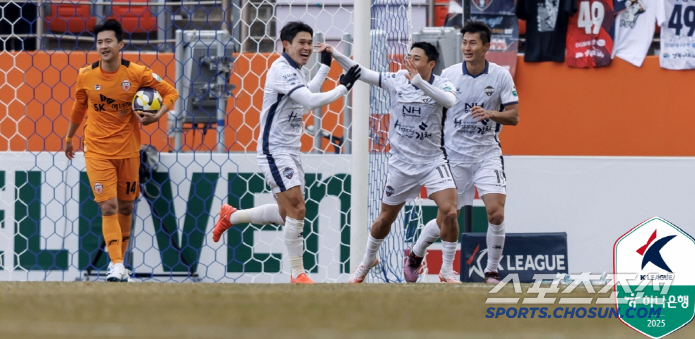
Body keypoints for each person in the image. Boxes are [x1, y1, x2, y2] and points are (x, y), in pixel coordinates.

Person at [212, 21, 360, 284]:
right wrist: (343, 87)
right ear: (286, 44)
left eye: (309, 43)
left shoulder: (295, 70)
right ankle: (297, 274)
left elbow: (307, 93)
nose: (306, 47)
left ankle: (231, 216)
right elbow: (311, 102)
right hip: (275, 150)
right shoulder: (281, 69)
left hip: (290, 150)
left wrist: (325, 65)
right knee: (297, 209)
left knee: (285, 214)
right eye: (300, 42)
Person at [323, 41, 461, 283]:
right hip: (401, 164)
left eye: (416, 58)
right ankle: (368, 261)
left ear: (431, 64)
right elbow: (362, 72)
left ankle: (447, 269)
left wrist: (419, 82)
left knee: (449, 212)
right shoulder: (397, 79)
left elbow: (449, 101)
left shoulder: (442, 84)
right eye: (409, 57)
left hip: (432, 161)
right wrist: (335, 54)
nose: (410, 62)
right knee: (385, 219)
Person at [64, 19, 179, 282]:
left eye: (108, 41)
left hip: (128, 151)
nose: (103, 46)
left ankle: (120, 265)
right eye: (100, 42)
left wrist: (156, 116)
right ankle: (116, 264)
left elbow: (170, 92)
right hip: (96, 150)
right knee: (108, 207)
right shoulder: (86, 75)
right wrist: (70, 136)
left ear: (120, 45)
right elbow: (79, 108)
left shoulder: (137, 73)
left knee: (126, 208)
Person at [405, 21, 519, 284]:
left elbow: (514, 117)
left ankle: (491, 270)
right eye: (465, 42)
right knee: (447, 216)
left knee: (496, 212)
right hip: (454, 156)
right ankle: (416, 253)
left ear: (486, 47)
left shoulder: (501, 76)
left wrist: (490, 113)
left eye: (473, 43)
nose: (467, 47)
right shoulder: (450, 75)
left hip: (487, 154)